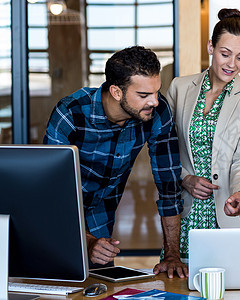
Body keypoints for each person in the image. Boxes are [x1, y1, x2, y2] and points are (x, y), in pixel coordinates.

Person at [44, 46, 187, 276]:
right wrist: (86, 241)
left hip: (101, 213)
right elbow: (52, 191)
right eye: (143, 95)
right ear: (116, 92)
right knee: (57, 281)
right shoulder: (71, 113)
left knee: (98, 284)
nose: (155, 102)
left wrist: (172, 254)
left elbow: (169, 186)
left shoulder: (157, 113)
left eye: (156, 91)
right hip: (58, 213)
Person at [155, 8, 240, 268]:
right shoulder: (179, 87)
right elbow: (164, 148)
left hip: (234, 210)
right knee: (181, 289)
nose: (232, 64)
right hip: (187, 212)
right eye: (225, 54)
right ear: (210, 47)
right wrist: (185, 178)